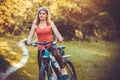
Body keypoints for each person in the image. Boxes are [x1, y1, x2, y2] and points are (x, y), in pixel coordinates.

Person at [26, 6, 68, 77]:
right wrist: (29, 41)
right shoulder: (35, 24)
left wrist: (60, 37)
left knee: (55, 52)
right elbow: (30, 35)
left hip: (50, 45)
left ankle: (63, 69)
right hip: (41, 47)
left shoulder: (50, 23)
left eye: (43, 13)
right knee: (41, 68)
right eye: (40, 13)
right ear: (38, 14)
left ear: (47, 15)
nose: (41, 15)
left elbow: (56, 32)